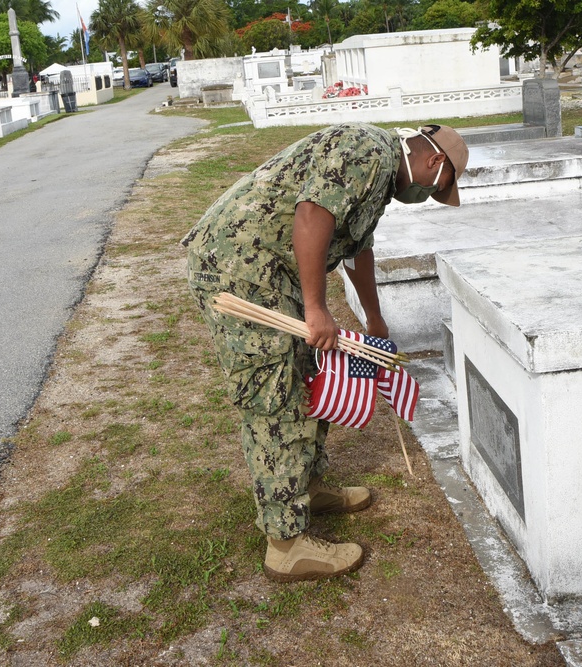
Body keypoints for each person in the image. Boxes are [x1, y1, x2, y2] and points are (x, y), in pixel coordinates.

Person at [182, 122, 469, 582]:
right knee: (276, 394)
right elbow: (313, 216)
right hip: (240, 269)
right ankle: (285, 544)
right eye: (437, 190)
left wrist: (374, 318)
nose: (427, 197)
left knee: (310, 373)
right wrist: (316, 308)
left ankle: (307, 488)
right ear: (435, 163)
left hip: (274, 271)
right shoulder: (367, 150)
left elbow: (358, 250)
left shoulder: (379, 177)